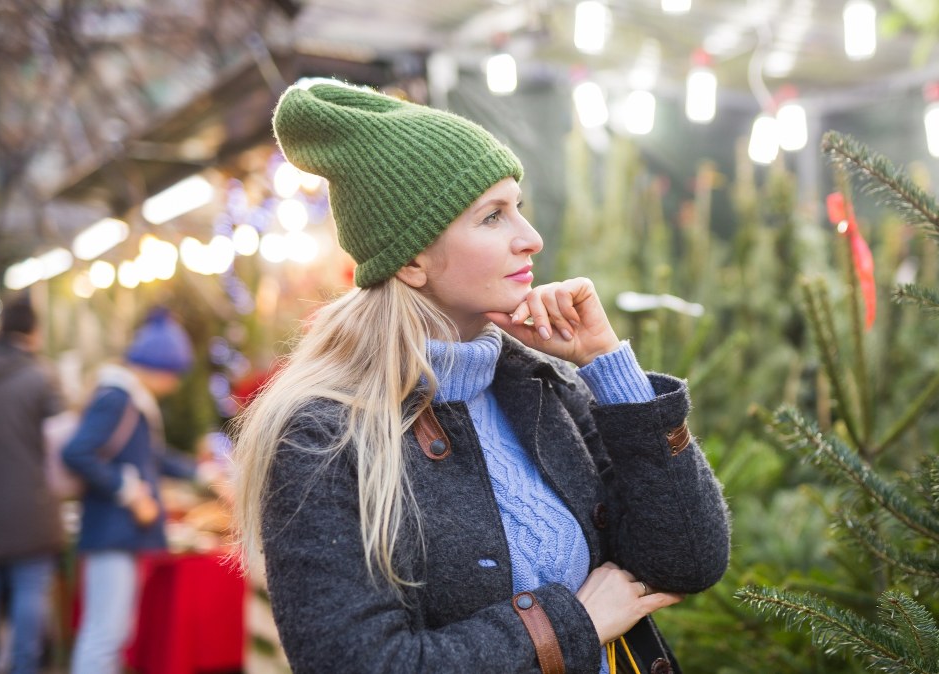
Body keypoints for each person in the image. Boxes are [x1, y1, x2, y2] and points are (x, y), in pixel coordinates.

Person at [231, 79, 731, 673]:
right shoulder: (325, 435)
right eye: (492, 216)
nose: (531, 238)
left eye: (519, 207)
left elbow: (689, 560)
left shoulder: (539, 389)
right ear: (412, 260)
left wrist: (605, 364)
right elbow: (364, 663)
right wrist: (574, 622)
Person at [63, 308, 197, 674]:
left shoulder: (126, 397)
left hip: (118, 533)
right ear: (160, 366)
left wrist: (200, 472)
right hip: (112, 532)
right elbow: (76, 451)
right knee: (104, 635)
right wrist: (130, 492)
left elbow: (151, 457)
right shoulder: (118, 398)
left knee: (112, 633)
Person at [0, 299, 64, 674]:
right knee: (29, 596)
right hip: (30, 510)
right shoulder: (41, 377)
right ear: (34, 332)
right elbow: (61, 447)